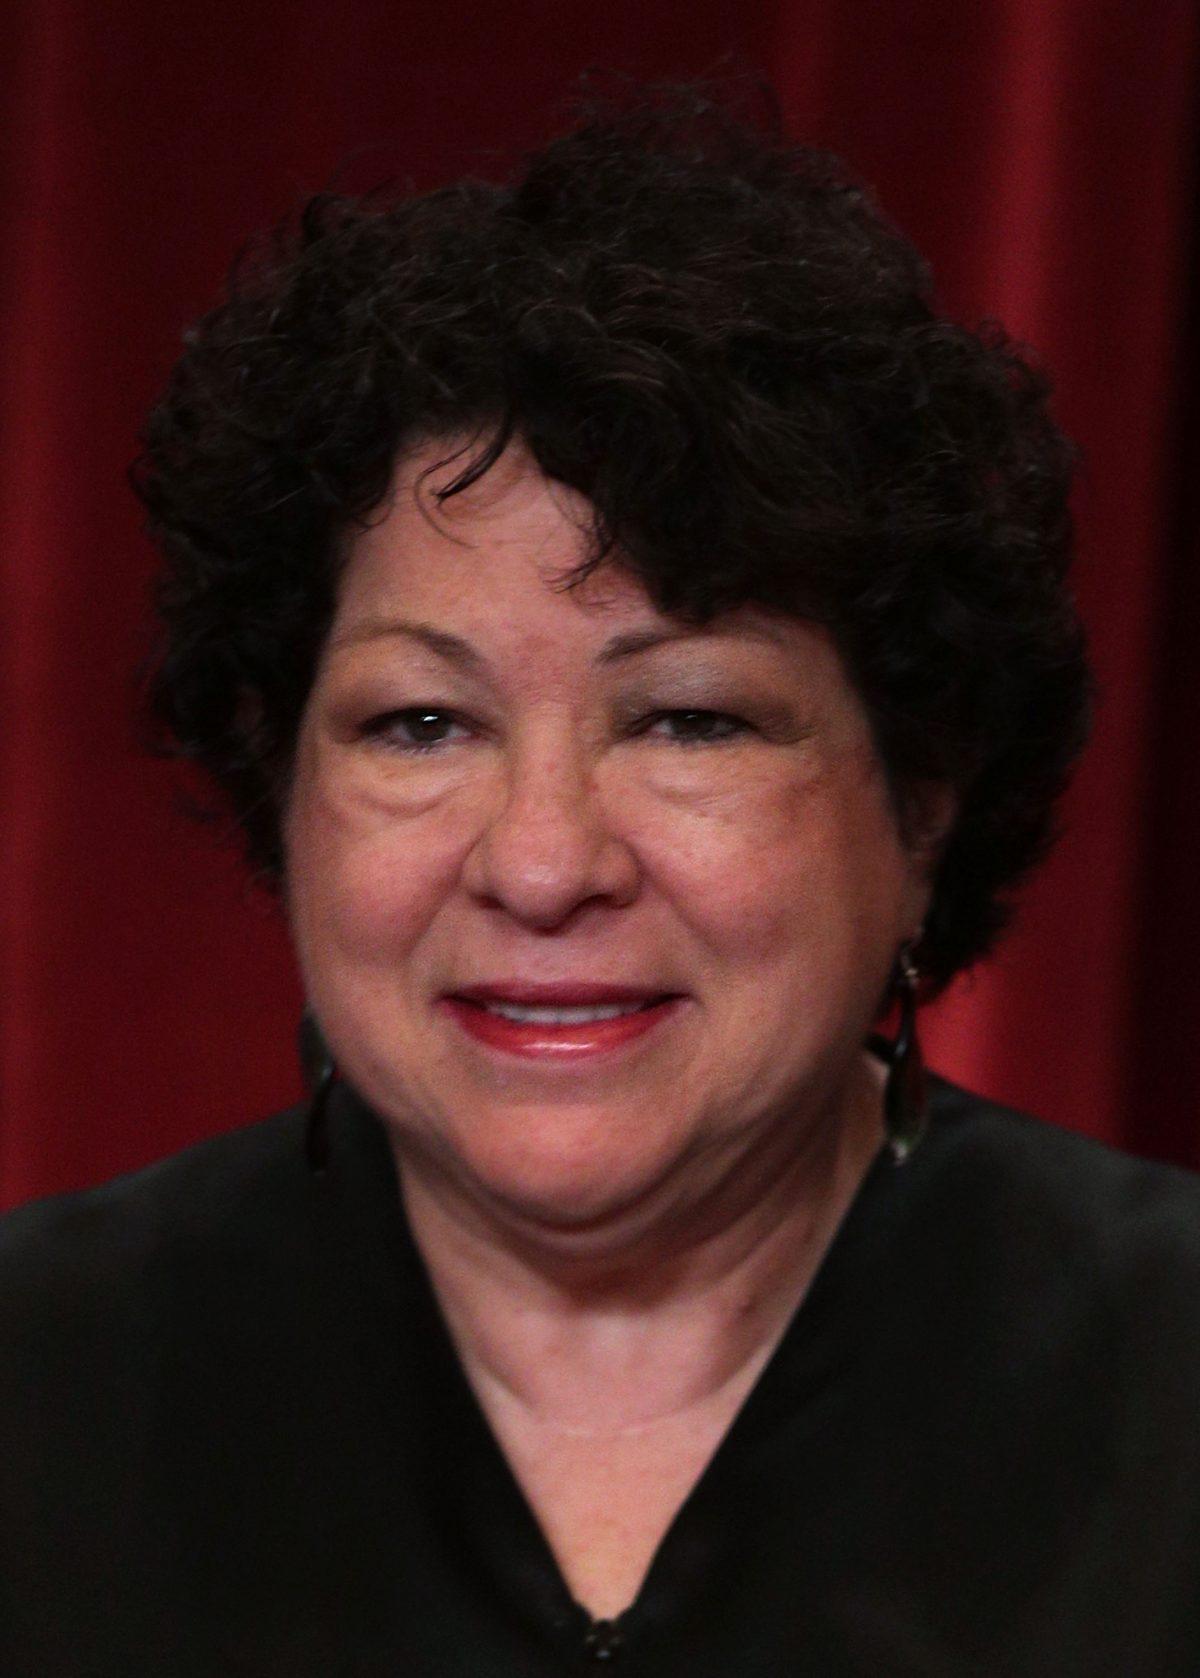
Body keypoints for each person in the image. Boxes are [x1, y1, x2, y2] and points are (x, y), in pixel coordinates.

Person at [2, 87, 1198, 1677]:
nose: (544, 860)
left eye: (688, 716)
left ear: (918, 808)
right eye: (420, 722)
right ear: (284, 794)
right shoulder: (35, 1384)